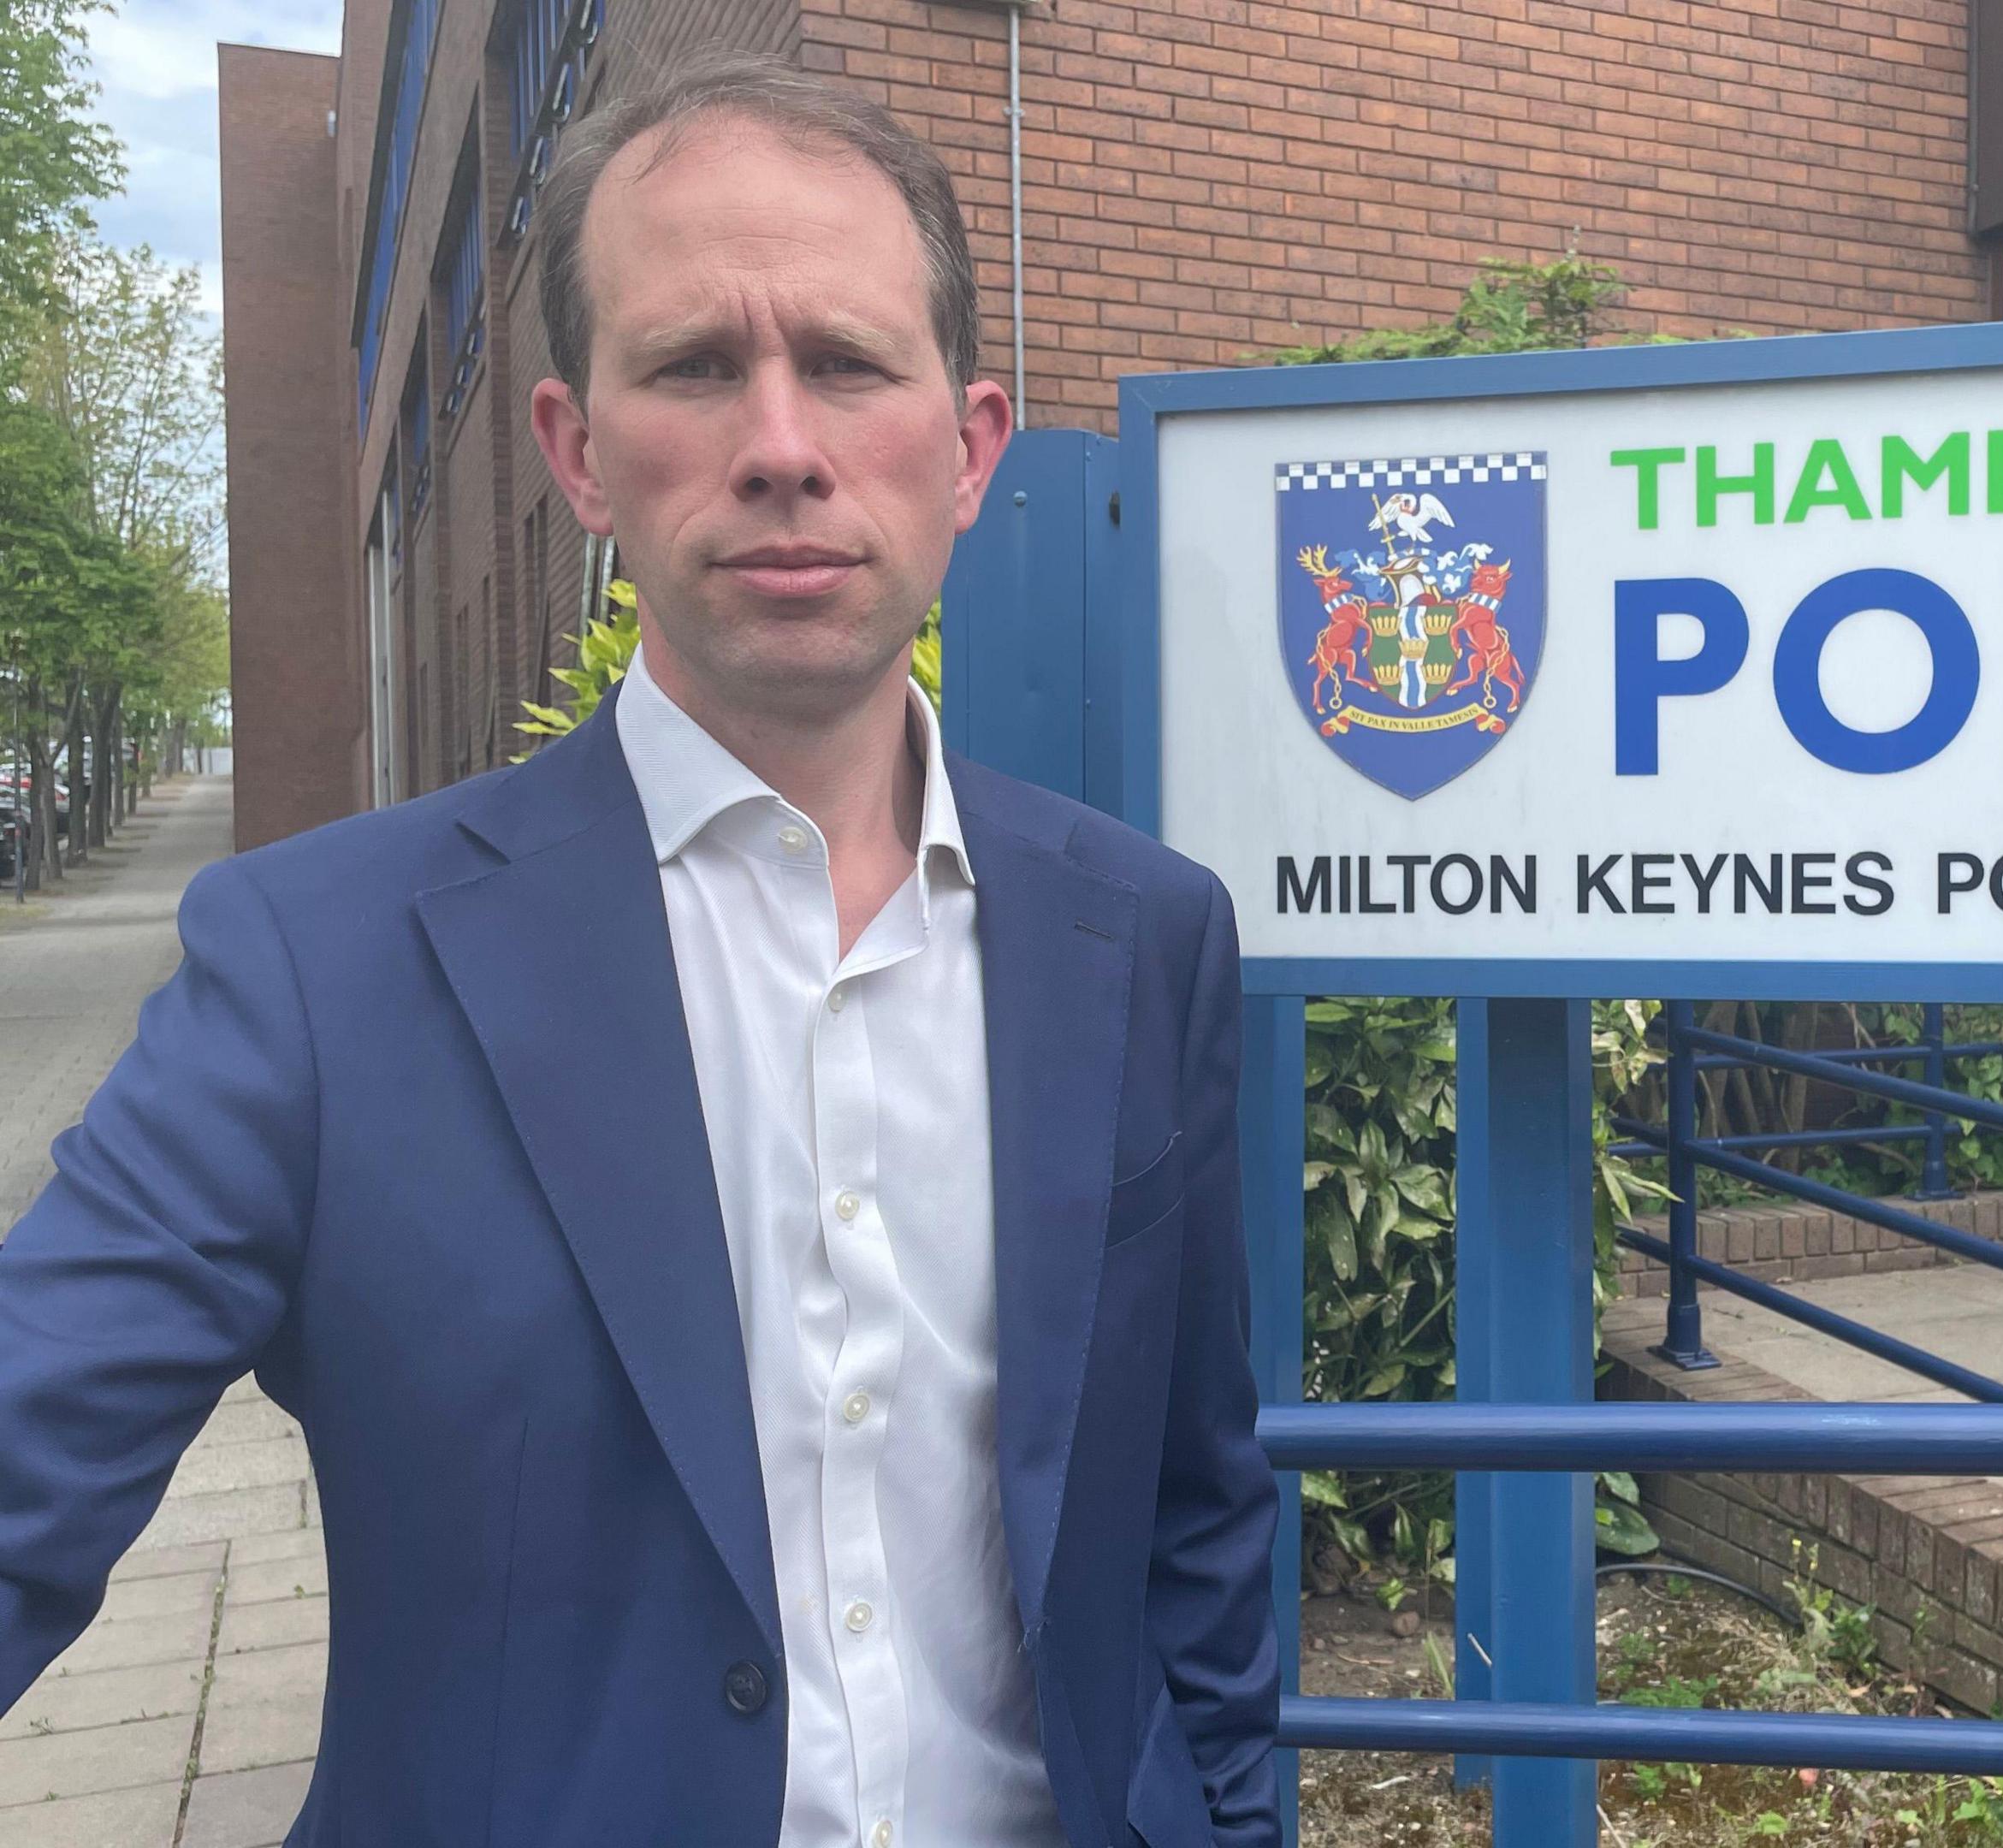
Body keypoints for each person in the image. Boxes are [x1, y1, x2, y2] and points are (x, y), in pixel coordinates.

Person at [0, 52, 1277, 1847]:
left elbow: (1197, 1504)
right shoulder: (315, 968)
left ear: (969, 446)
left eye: (844, 362)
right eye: (693, 366)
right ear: (578, 451)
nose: (780, 443)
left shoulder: (1140, 933)